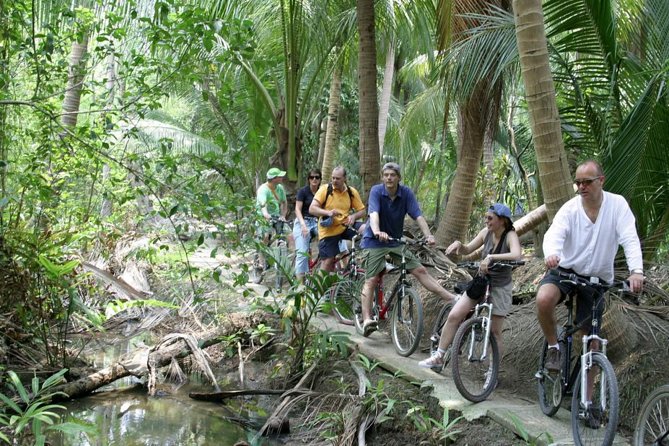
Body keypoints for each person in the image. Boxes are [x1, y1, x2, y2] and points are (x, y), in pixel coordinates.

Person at [536, 160, 644, 372]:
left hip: (596, 279)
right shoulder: (570, 208)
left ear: (601, 181)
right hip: (565, 270)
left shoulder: (618, 205)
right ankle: (553, 346)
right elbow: (554, 234)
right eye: (578, 183)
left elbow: (630, 239)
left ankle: (588, 401)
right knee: (543, 298)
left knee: (593, 342)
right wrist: (552, 254)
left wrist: (636, 272)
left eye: (587, 182)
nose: (582, 187)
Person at [359, 162, 459, 337]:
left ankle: (451, 298)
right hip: (375, 241)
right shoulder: (376, 191)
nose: (389, 178)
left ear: (399, 177)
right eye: (386, 175)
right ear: (383, 177)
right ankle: (367, 319)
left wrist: (429, 236)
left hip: (395, 241)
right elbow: (373, 214)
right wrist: (376, 231)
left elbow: (418, 215)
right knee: (371, 279)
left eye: (392, 175)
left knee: (420, 270)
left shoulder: (406, 193)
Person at [418, 203, 522, 368]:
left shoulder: (510, 235)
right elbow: (468, 249)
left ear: (502, 221)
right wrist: (460, 245)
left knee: (495, 332)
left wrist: (492, 257)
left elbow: (517, 254)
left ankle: (491, 372)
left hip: (500, 286)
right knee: (454, 315)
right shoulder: (485, 233)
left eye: (490, 218)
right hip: (481, 282)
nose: (486, 221)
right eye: (486, 217)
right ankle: (439, 355)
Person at [309, 166, 366, 272]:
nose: (334, 181)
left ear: (345, 178)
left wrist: (353, 216)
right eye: (333, 178)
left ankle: (369, 261)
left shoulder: (351, 192)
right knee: (328, 262)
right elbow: (312, 209)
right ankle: (319, 288)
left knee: (367, 230)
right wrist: (328, 213)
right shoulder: (325, 189)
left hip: (345, 226)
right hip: (328, 231)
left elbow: (362, 211)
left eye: (338, 178)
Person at [253, 167, 292, 282]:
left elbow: (284, 203)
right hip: (264, 218)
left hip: (277, 217)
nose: (282, 178)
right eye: (280, 176)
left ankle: (289, 260)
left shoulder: (280, 188)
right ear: (274, 179)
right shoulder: (263, 190)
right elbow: (263, 206)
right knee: (265, 237)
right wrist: (266, 215)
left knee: (291, 236)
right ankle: (260, 263)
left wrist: (283, 215)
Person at [293, 168, 322, 281]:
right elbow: (297, 210)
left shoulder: (323, 192)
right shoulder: (303, 191)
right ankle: (300, 287)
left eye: (317, 177)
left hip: (317, 222)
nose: (314, 179)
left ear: (320, 179)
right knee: (302, 254)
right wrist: (303, 225)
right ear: (308, 179)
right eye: (312, 177)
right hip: (303, 221)